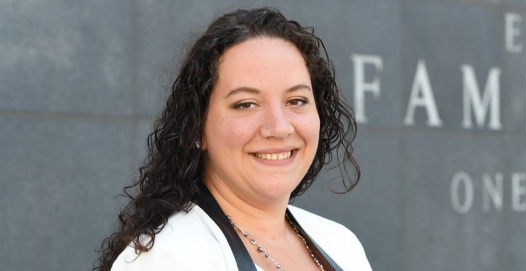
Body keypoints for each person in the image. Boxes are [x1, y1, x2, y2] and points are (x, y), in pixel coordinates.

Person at [94, 7, 371, 271]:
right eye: (246, 104)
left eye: (296, 100)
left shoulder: (341, 244)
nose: (279, 127)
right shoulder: (169, 257)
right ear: (198, 128)